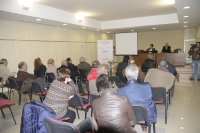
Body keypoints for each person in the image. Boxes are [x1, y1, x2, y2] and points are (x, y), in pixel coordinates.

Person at [118, 64, 157, 132]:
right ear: (136, 75)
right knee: (147, 105)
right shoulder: (147, 86)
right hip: (147, 117)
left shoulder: (120, 91)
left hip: (127, 117)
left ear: (126, 76)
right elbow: (152, 98)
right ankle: (144, 128)